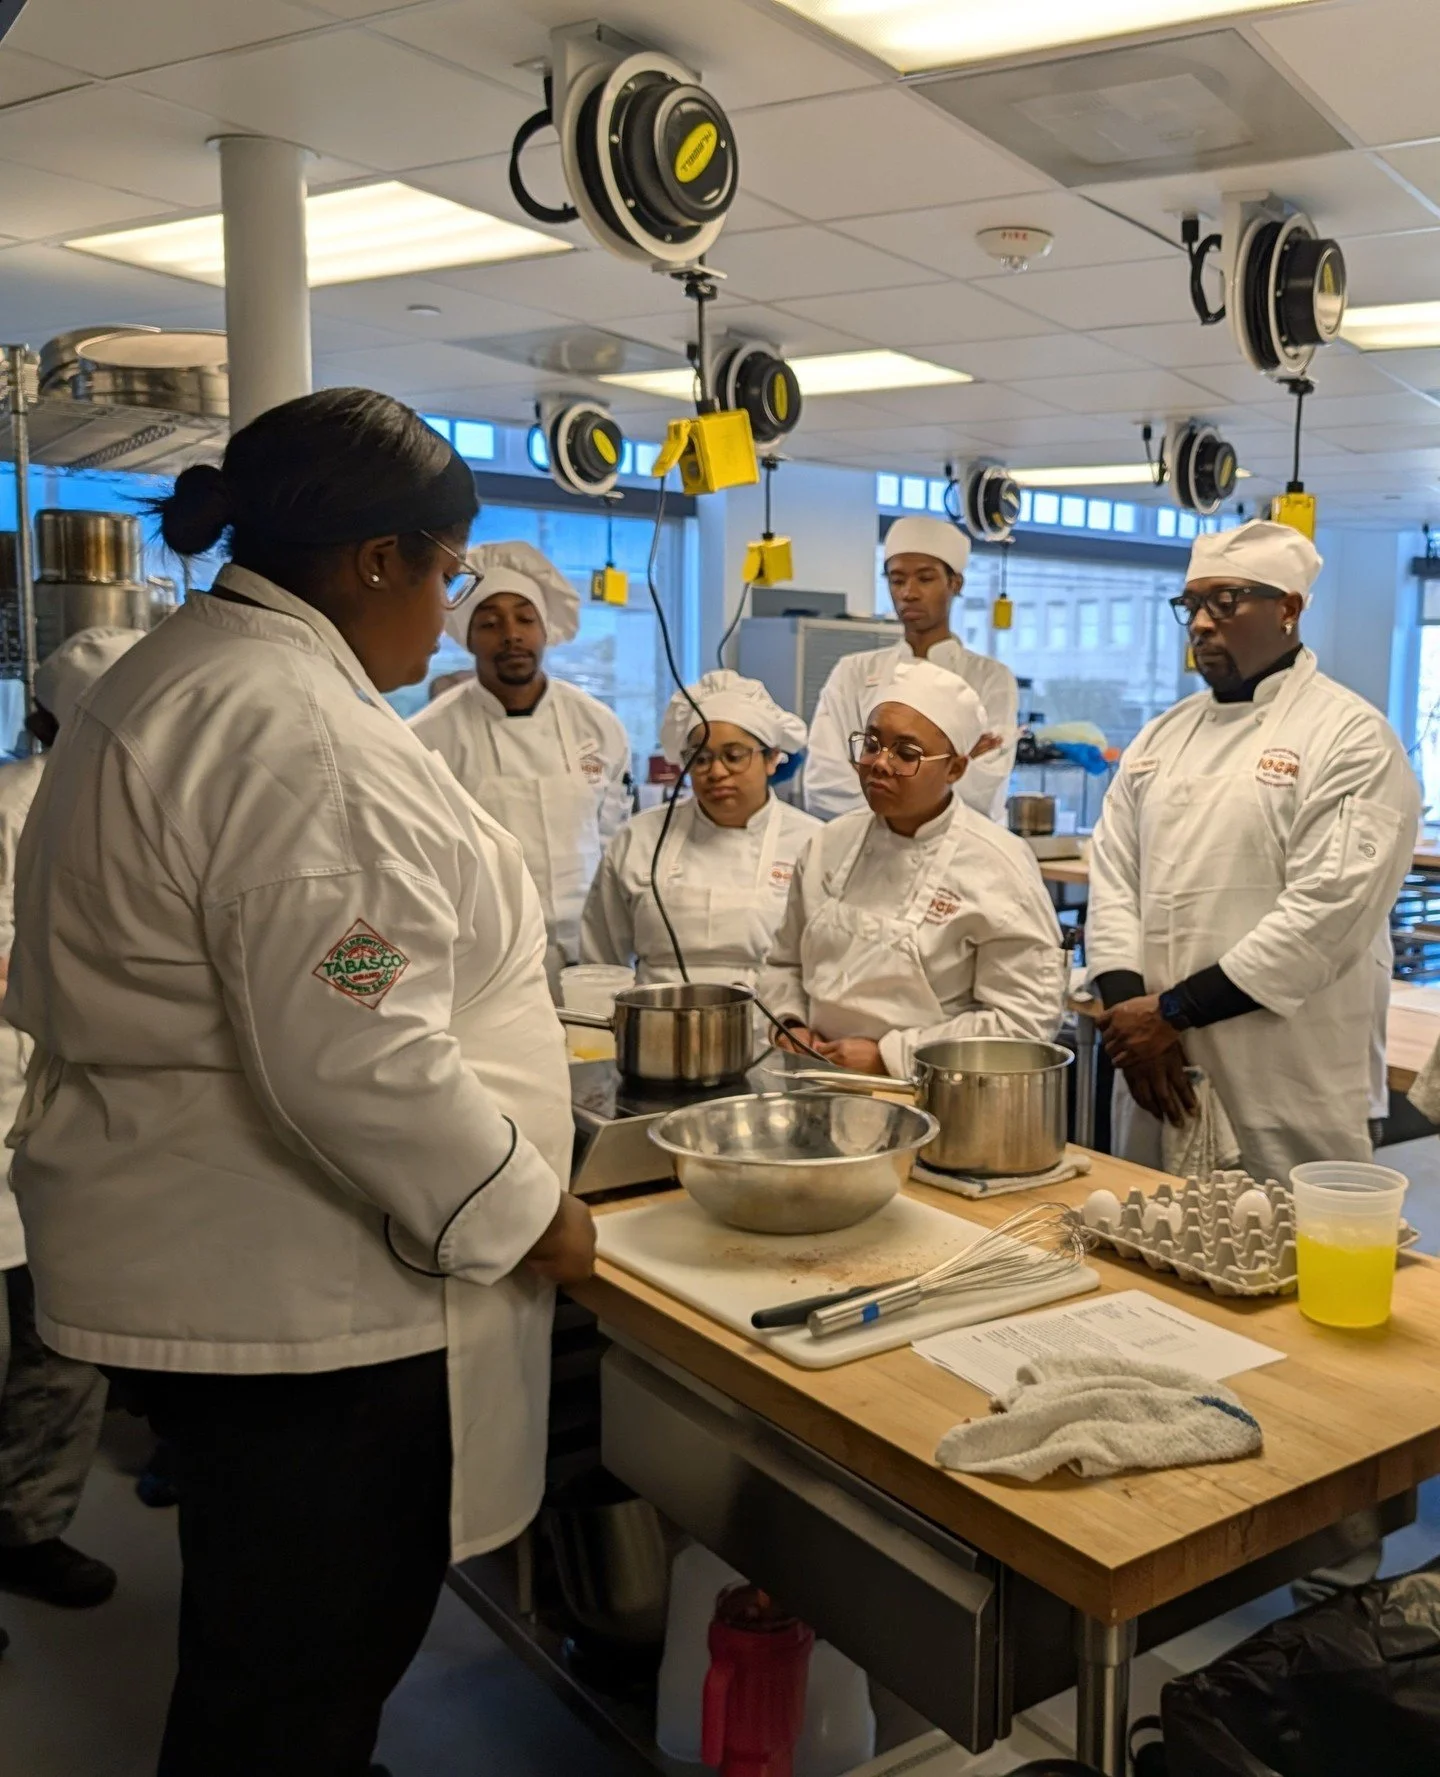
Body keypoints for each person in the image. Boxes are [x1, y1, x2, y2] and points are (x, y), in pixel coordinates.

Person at [5, 388, 595, 1777]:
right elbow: (358, 1046)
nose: (455, 613)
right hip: (304, 1295)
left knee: (277, 1639)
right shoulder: (303, 737)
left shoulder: (196, 672)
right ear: (375, 559)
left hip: (233, 1261)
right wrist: (528, 1211)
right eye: (450, 574)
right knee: (300, 1655)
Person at [1086, 519, 1421, 1186]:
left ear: (1289, 609)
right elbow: (1113, 877)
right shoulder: (1160, 738)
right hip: (1157, 1070)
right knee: (1146, 1255)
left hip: (1286, 1078)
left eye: (1227, 601)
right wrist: (1131, 1016)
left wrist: (1172, 1012)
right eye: (1192, 604)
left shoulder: (1350, 737)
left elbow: (1327, 915)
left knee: (1288, 1266)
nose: (1202, 623)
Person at [0, 629, 141, 1636]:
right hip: (11, 1097)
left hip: (86, 1113)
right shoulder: (12, 803)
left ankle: (27, 1526)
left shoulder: (141, 803)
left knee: (64, 1344)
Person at [762, 659, 1064, 1078]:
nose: (880, 763)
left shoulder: (998, 867)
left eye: (907, 753)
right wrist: (790, 1024)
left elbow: (1024, 1022)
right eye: (871, 744)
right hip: (813, 1081)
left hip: (935, 1100)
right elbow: (782, 965)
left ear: (955, 768)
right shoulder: (827, 845)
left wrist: (892, 1056)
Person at [409, 542, 631, 983]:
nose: (511, 634)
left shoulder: (597, 726)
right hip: (485, 954)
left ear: (545, 630)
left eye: (525, 620)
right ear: (467, 637)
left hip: (590, 949)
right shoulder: (427, 736)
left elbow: (614, 840)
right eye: (490, 623)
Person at [580, 671, 820, 988]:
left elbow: (828, 964)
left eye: (734, 756)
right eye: (701, 758)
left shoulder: (813, 843)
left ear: (772, 758)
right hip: (657, 1022)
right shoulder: (640, 839)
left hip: (770, 1030)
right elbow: (601, 962)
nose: (716, 772)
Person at [804, 515, 1019, 823]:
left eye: (925, 578)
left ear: (955, 583)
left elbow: (984, 788)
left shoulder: (990, 680)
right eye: (897, 580)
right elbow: (824, 785)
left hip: (959, 855)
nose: (909, 593)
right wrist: (942, 771)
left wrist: (870, 772)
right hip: (864, 852)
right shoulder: (853, 673)